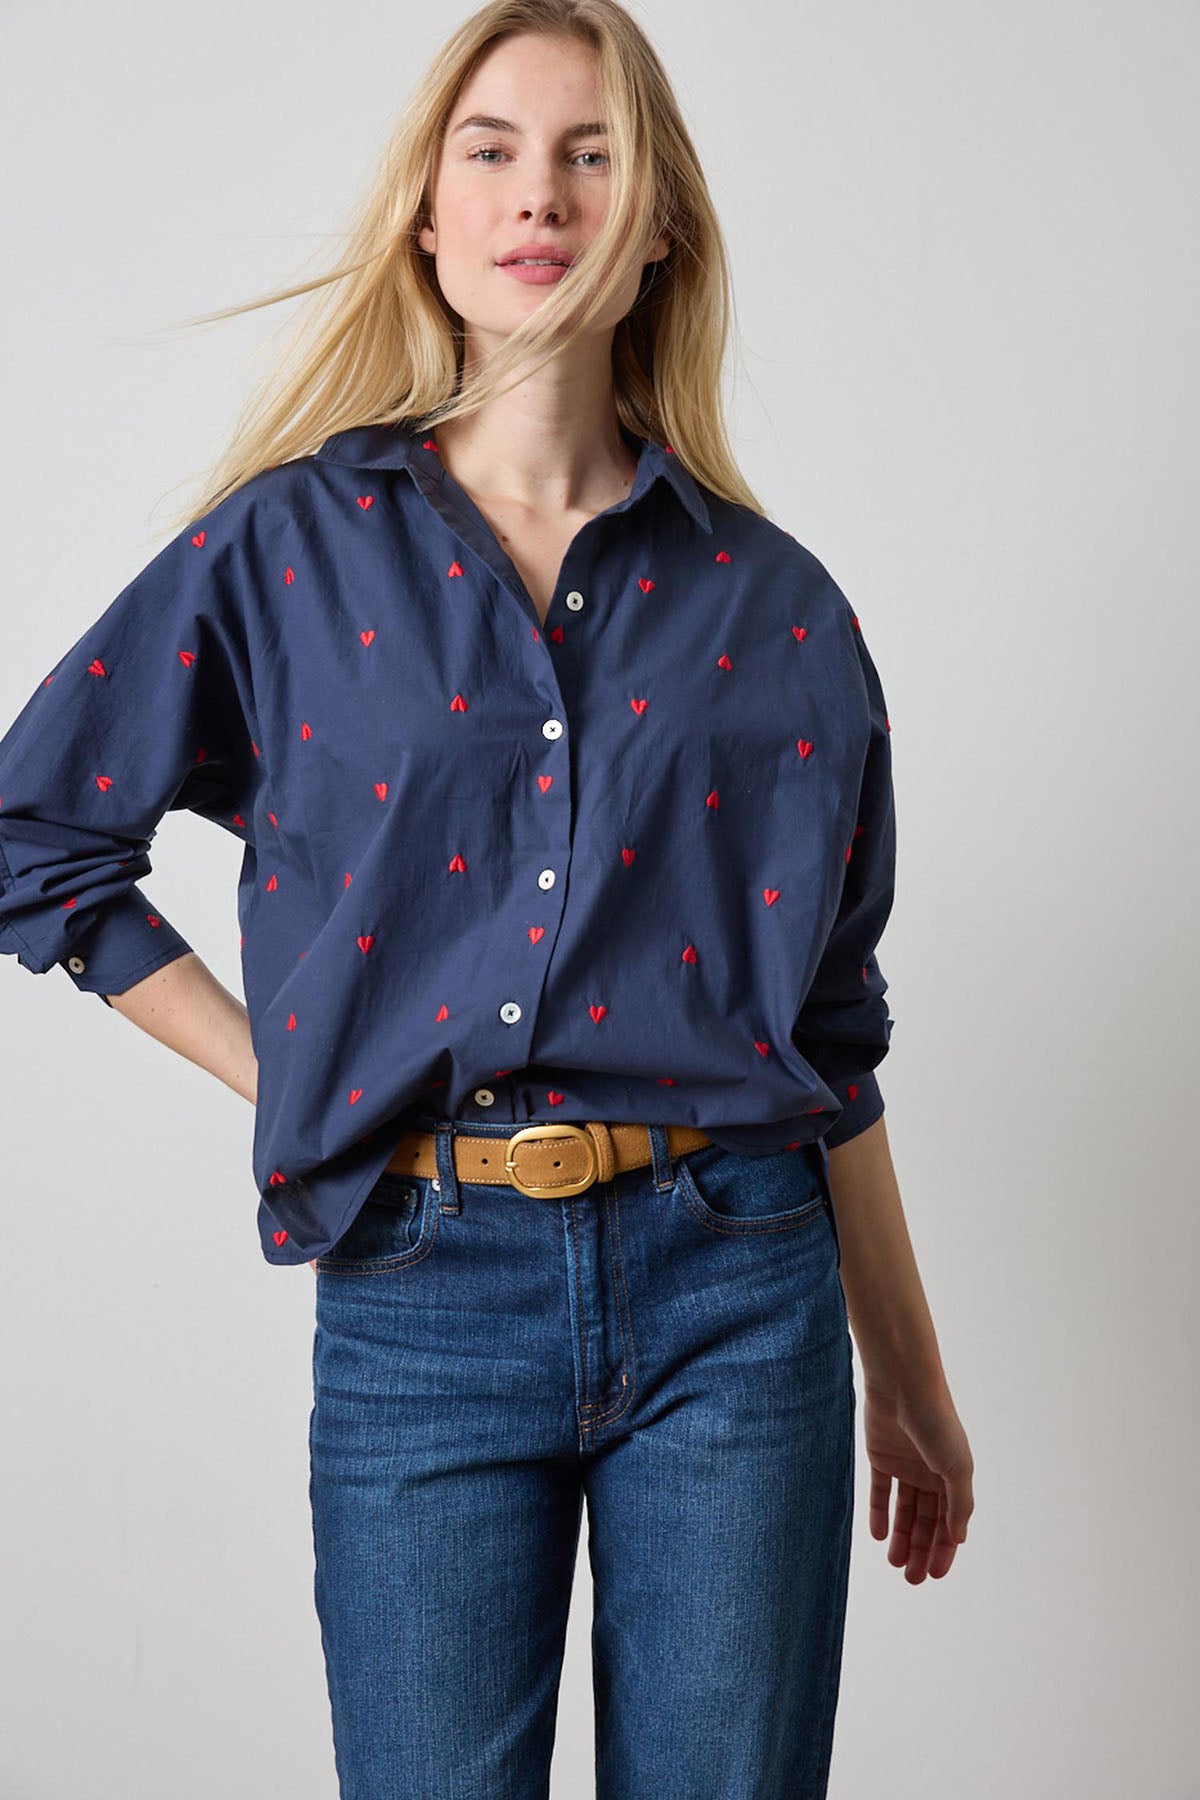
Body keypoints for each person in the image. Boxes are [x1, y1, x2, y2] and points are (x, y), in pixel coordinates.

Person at [0, 2, 975, 1794]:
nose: (543, 192)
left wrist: (907, 1378)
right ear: (430, 221)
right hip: (420, 1295)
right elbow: (35, 837)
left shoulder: (782, 611)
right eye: (495, 150)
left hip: (742, 1299)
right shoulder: (280, 553)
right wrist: (289, 1081)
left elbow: (834, 1035)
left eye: (592, 153)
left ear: (657, 221)